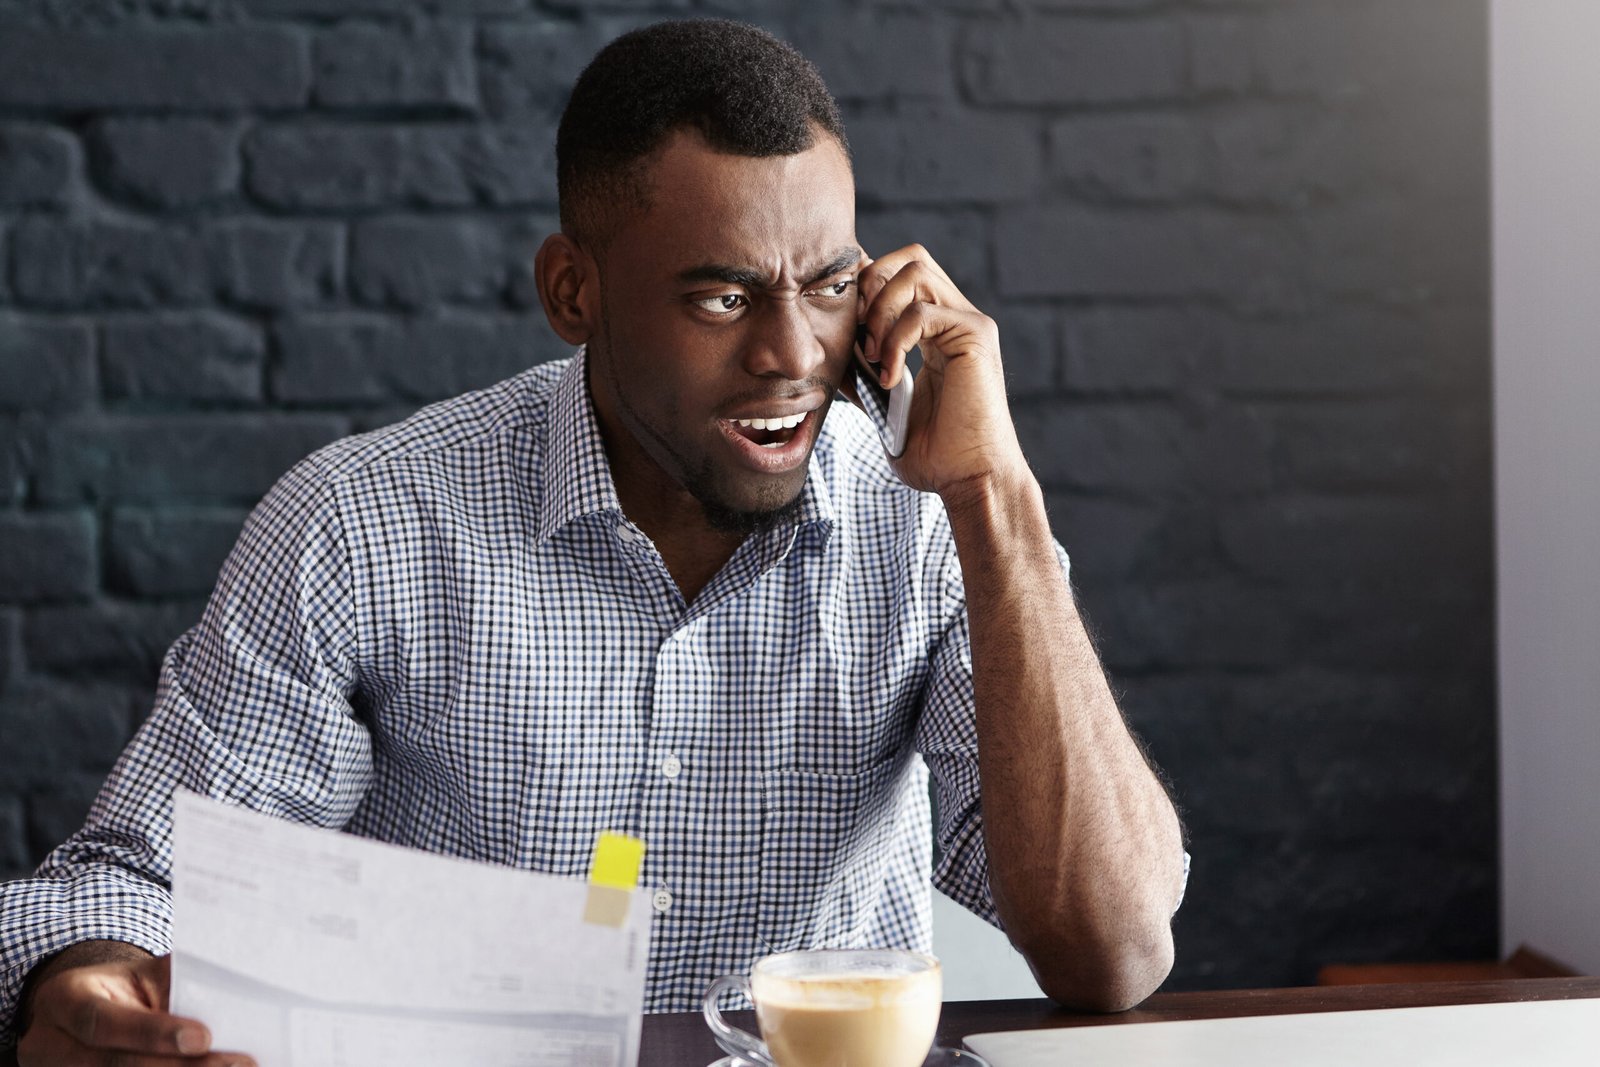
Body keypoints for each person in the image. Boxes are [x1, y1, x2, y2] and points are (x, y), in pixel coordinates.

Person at [0, 18, 1187, 1066]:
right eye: (722, 297)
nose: (792, 354)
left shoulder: (929, 525)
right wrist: (92, 982)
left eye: (829, 286)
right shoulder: (362, 526)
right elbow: (139, 881)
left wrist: (996, 499)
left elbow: (1112, 951)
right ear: (573, 292)